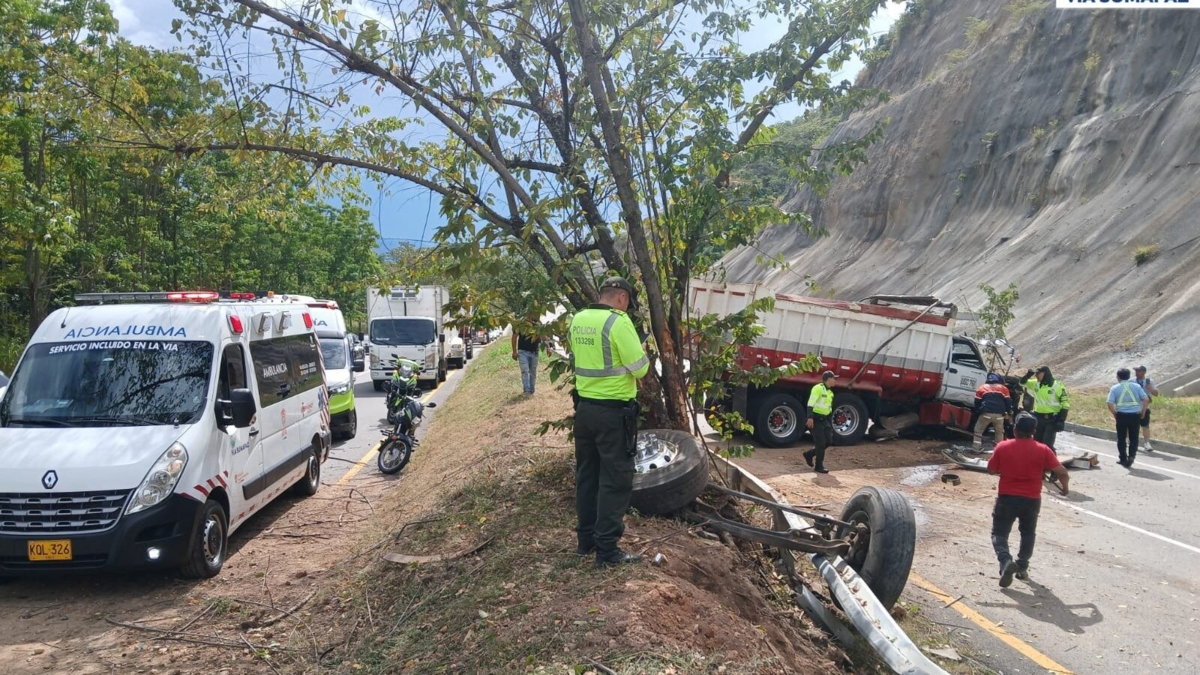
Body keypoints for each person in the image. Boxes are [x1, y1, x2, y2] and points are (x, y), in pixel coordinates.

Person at [570, 277, 650, 568]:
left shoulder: (578, 319)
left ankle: (585, 540)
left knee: (587, 476)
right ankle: (607, 551)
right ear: (621, 298)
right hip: (614, 413)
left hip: (585, 410)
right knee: (615, 480)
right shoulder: (619, 322)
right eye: (627, 302)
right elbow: (640, 370)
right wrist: (642, 349)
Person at [987, 413, 1070, 587]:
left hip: (1007, 498)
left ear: (1015, 429)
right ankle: (1022, 567)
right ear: (1033, 431)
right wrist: (1065, 488)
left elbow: (991, 470)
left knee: (999, 533)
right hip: (1032, 499)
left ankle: (1005, 560)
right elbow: (1062, 472)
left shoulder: (1003, 447)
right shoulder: (1043, 449)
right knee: (1028, 533)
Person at [1107, 368, 1149, 467]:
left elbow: (1110, 403)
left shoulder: (1115, 388)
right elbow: (1146, 399)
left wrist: (1114, 414)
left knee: (1121, 438)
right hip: (1135, 415)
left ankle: (1123, 458)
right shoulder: (1136, 386)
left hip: (1121, 415)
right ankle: (1132, 456)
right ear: (1129, 376)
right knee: (1134, 437)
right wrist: (1143, 411)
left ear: (1118, 377)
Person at [1021, 365, 1070, 450]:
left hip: (1051, 419)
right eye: (1035, 374)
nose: (1036, 376)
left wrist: (1061, 420)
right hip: (1038, 417)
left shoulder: (1057, 386)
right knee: (1037, 443)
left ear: (1045, 373)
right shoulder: (1036, 383)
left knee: (1047, 445)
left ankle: (1051, 462)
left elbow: (1065, 403)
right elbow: (1022, 383)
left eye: (1038, 374)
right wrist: (1028, 375)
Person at [803, 371, 836, 474]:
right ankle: (819, 466)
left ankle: (809, 454)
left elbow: (828, 408)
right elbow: (810, 403)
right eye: (834, 378)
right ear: (829, 379)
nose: (835, 381)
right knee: (820, 443)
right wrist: (810, 417)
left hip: (825, 419)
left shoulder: (830, 393)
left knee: (828, 441)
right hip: (816, 419)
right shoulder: (818, 388)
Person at [973, 373, 1013, 451]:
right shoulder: (1004, 389)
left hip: (985, 414)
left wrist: (978, 411)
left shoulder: (982, 387)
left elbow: (977, 402)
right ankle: (998, 451)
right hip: (999, 416)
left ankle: (976, 449)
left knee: (978, 431)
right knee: (999, 433)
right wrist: (1009, 413)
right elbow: (1008, 403)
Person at [511, 316, 543, 395]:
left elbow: (543, 336)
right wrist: (514, 351)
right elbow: (514, 337)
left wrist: (548, 347)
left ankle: (532, 391)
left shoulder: (538, 324)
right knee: (525, 371)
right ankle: (527, 390)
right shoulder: (521, 323)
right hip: (523, 352)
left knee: (533, 372)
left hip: (534, 352)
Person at [1134, 365, 1159, 452]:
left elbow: (1156, 394)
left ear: (1144, 372)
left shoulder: (1149, 381)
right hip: (1133, 407)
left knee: (1145, 426)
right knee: (1131, 426)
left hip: (1145, 407)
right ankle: (1129, 440)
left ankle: (1147, 443)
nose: (1136, 372)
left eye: (1138, 371)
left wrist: (1151, 389)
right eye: (1136, 371)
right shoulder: (1132, 381)